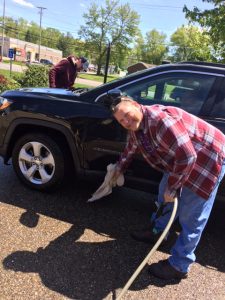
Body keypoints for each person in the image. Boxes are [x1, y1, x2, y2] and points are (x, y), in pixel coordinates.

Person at [110, 96, 225, 280]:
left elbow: (188, 157)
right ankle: (158, 232)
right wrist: (119, 168)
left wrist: (174, 187)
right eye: (121, 120)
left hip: (206, 159)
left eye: (127, 115)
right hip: (179, 160)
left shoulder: (159, 121)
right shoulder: (137, 126)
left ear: (135, 105)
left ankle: (180, 265)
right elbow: (131, 147)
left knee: (192, 217)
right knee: (164, 196)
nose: (127, 121)